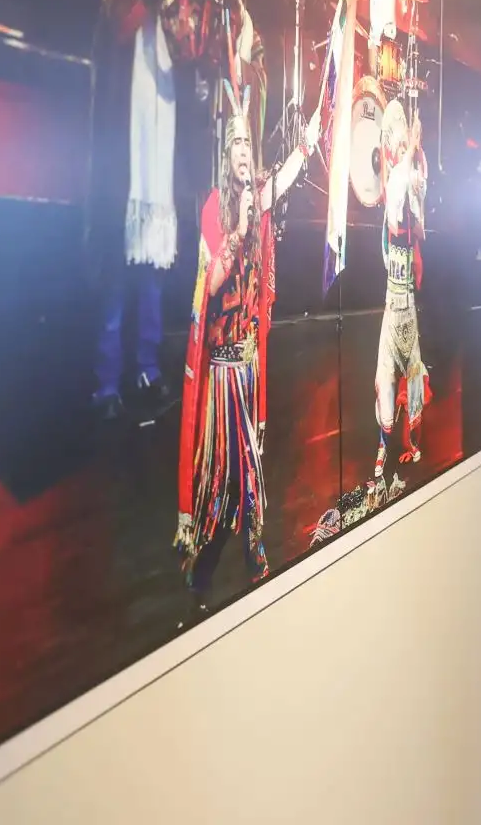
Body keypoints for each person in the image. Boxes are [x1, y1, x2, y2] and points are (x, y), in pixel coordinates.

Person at [175, 99, 319, 603]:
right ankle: (222, 564)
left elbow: (284, 178)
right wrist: (235, 233)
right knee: (224, 475)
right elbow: (209, 284)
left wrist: (313, 136)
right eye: (235, 143)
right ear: (224, 152)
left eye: (247, 143)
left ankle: (240, 555)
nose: (243, 151)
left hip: (249, 365)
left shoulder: (257, 199)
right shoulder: (216, 207)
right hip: (221, 373)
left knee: (247, 469)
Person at [89, 0, 198, 422]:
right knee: (117, 268)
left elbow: (186, 52)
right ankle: (107, 385)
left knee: (153, 266)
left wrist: (176, 6)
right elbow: (117, 30)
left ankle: (147, 372)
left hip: (160, 149)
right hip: (124, 149)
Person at [372, 99, 432, 484]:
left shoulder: (407, 185)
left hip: (405, 306)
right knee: (384, 379)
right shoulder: (396, 180)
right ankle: (383, 446)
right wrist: (410, 148)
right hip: (391, 305)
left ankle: (413, 446)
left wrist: (415, 149)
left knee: (410, 377)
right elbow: (395, 190)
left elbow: (412, 194)